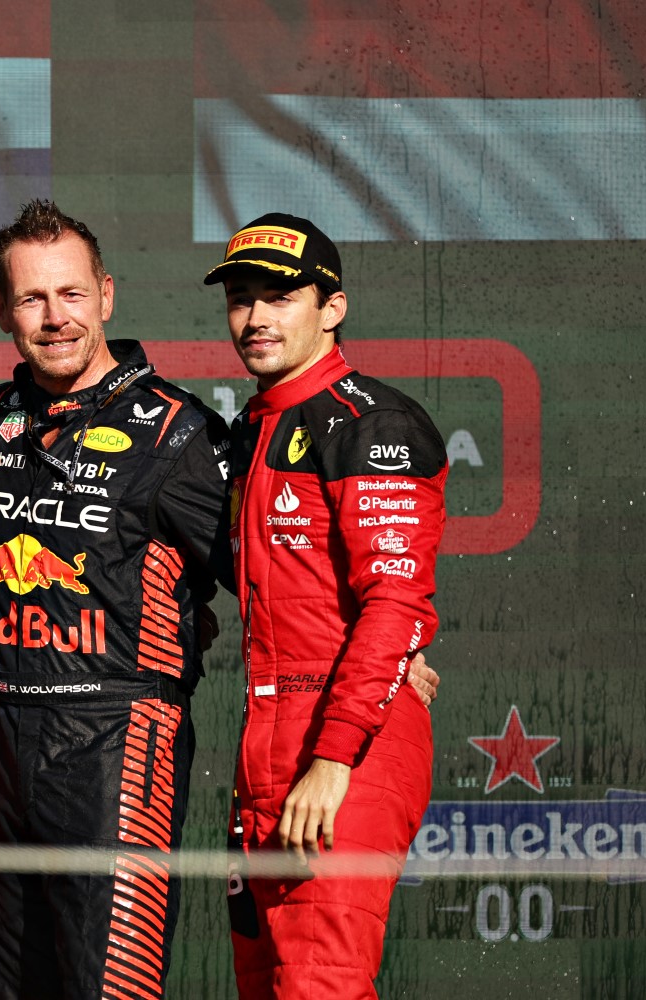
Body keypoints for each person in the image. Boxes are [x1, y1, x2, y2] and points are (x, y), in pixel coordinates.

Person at [0, 200, 234, 1000]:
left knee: (107, 988)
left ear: (107, 296)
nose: (55, 319)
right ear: (3, 310)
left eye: (72, 294)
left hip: (121, 736)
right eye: (32, 299)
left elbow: (273, 569)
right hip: (7, 737)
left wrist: (397, 641)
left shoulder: (179, 434)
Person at [204, 213, 446, 997]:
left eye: (280, 297)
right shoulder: (250, 430)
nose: (257, 318)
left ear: (332, 307)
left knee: (321, 988)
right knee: (270, 985)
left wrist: (335, 758)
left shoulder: (375, 422)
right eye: (242, 299)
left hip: (344, 748)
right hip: (267, 747)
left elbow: (397, 601)